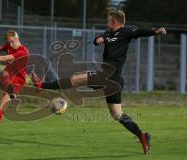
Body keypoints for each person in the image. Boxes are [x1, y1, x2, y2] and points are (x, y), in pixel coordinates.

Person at [33, 10, 166, 154]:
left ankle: (42, 86)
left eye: (109, 20)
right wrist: (98, 39)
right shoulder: (108, 33)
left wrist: (155, 32)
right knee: (117, 114)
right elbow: (98, 39)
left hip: (110, 76)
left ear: (115, 22)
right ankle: (142, 136)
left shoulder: (126, 32)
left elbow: (139, 32)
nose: (107, 22)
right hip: (111, 80)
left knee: (77, 79)